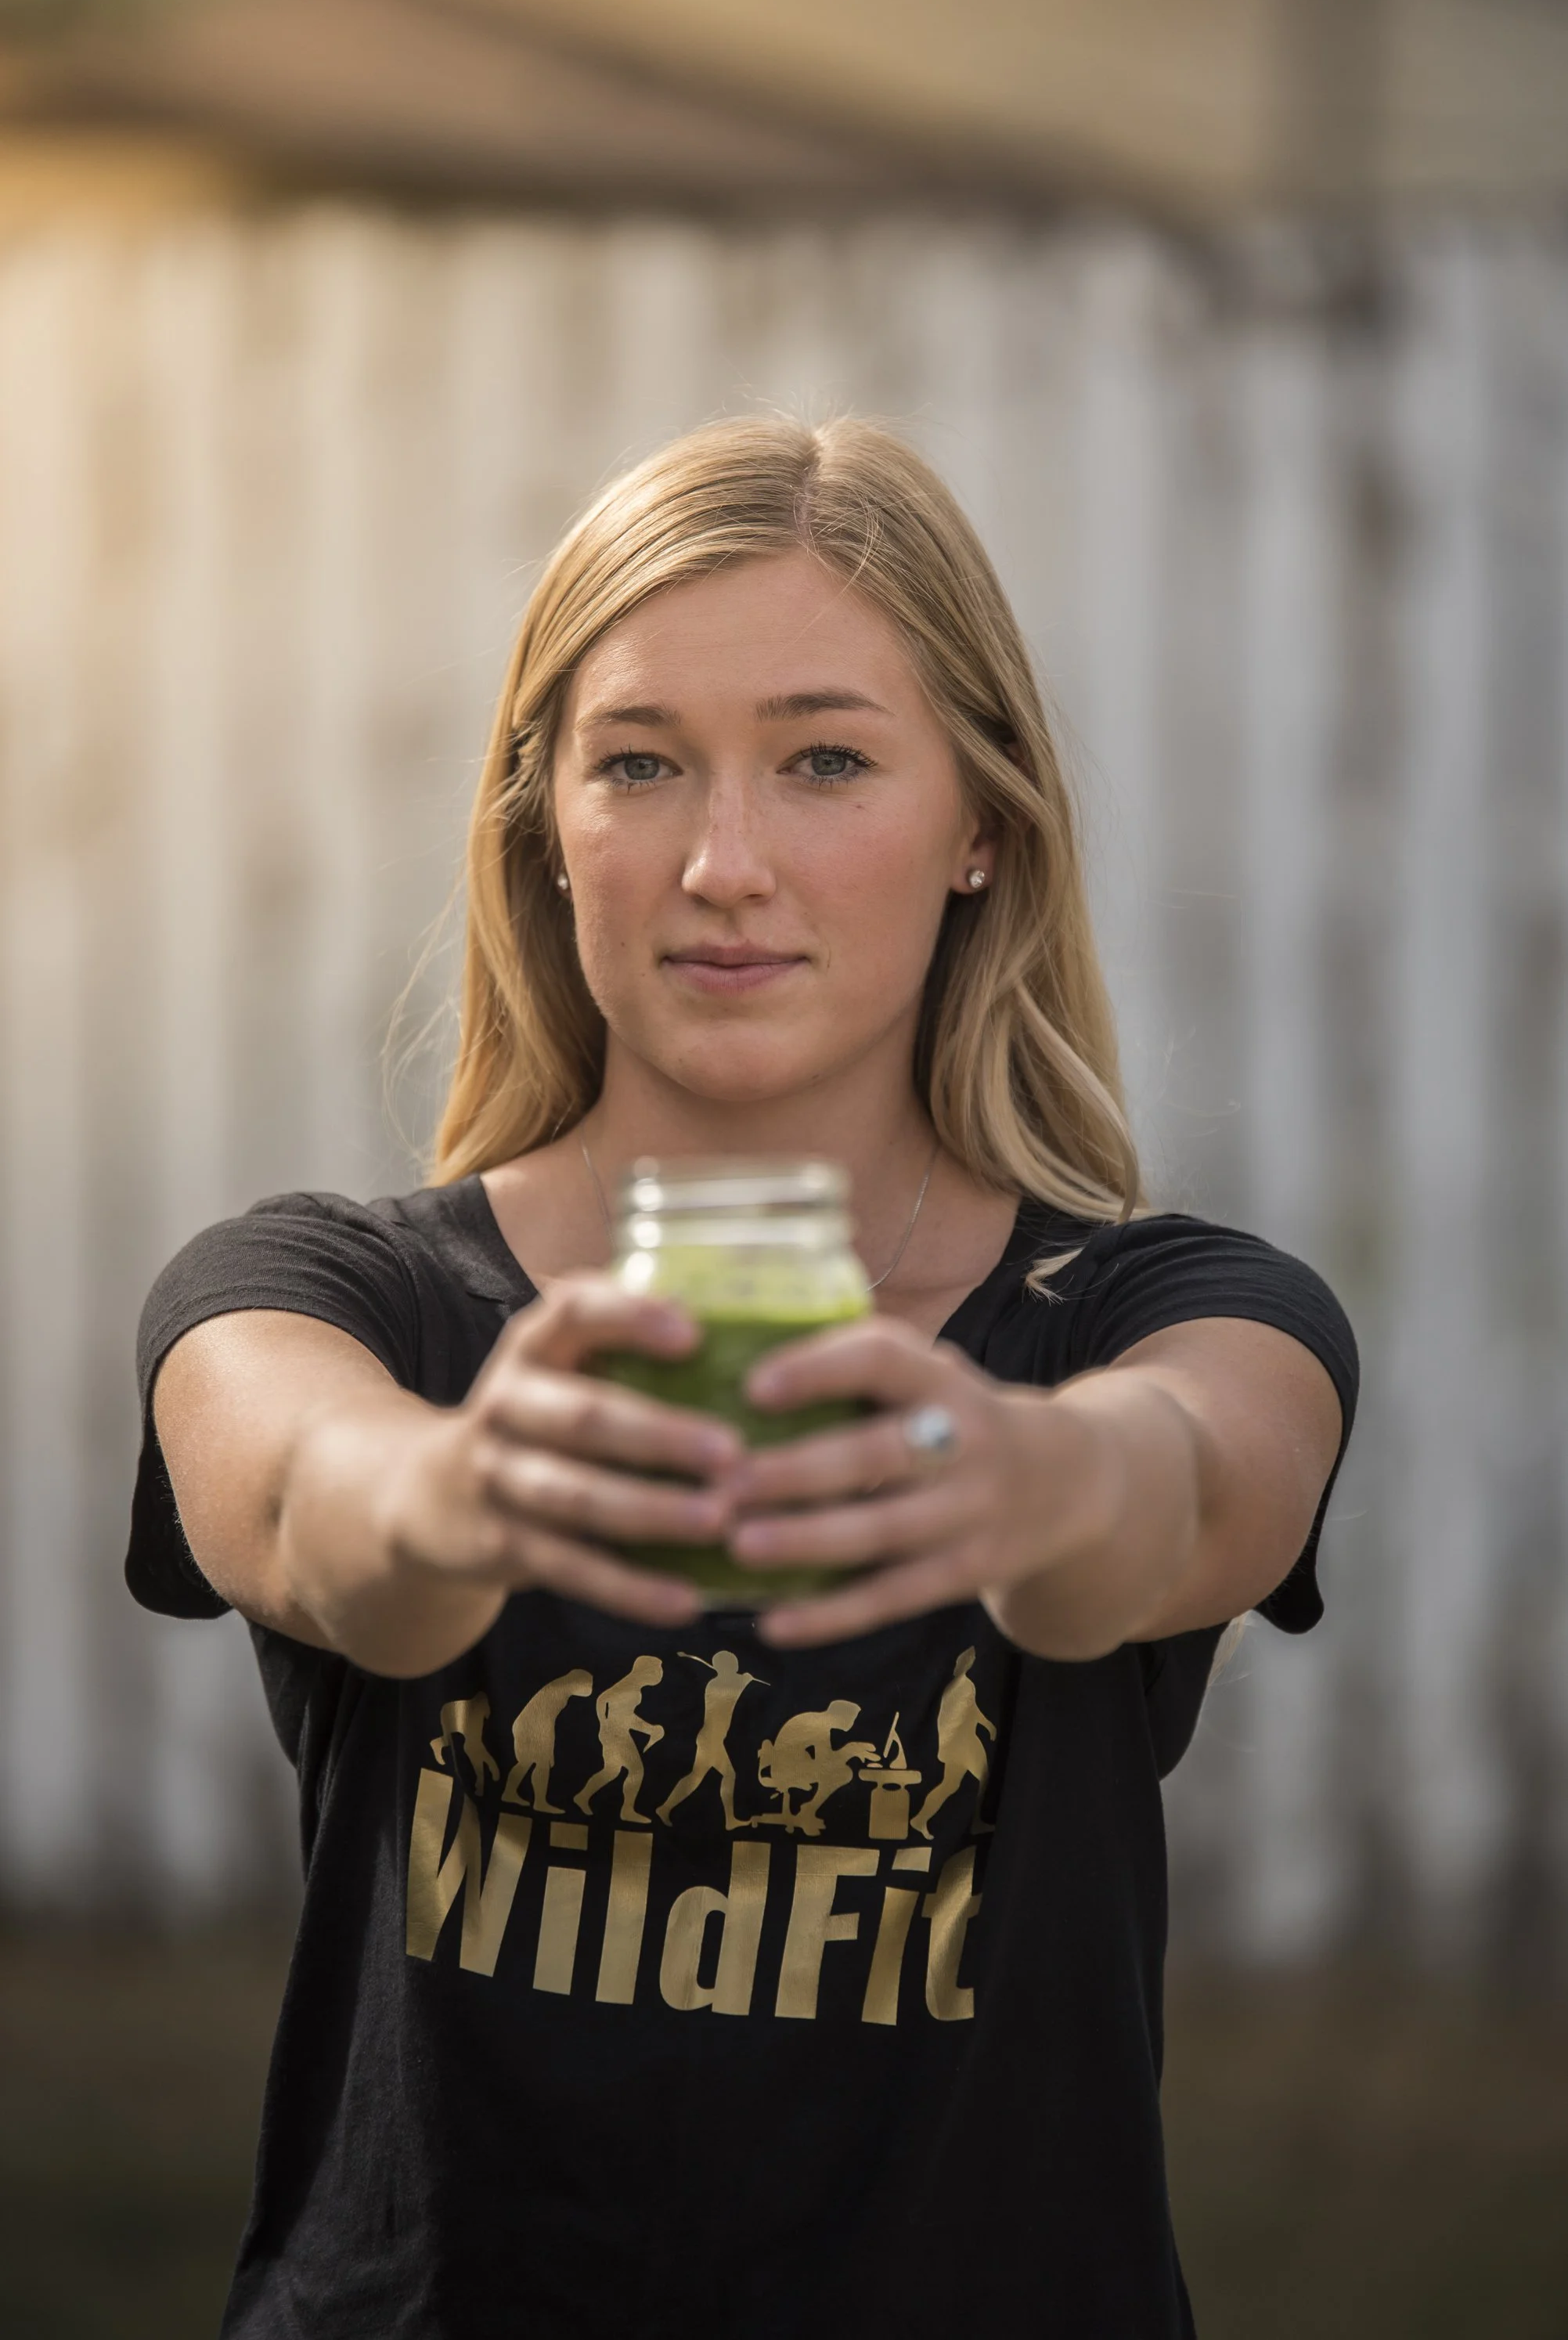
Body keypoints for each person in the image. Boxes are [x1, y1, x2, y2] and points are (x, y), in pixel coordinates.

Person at [125, 416, 1357, 2339]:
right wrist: (465, 1492)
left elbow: (1188, 1485)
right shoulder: (325, 1289)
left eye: (825, 762)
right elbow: (303, 1501)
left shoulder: (1158, 1308)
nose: (722, 863)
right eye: (638, 765)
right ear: (543, 819)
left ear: (980, 826)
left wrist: (1016, 1475)